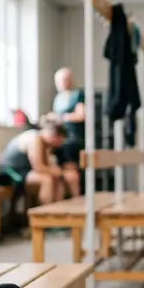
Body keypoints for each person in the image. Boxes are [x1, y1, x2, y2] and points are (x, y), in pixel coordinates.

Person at [0, 122, 66, 206]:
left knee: (56, 178)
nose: (58, 145)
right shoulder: (35, 137)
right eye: (59, 142)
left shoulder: (44, 143)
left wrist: (57, 173)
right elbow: (39, 167)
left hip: (22, 171)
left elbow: (46, 166)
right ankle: (44, 215)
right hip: (9, 172)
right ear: (55, 137)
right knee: (46, 180)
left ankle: (57, 212)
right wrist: (59, 172)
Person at [46, 67, 87, 198]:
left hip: (74, 139)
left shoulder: (77, 95)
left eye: (64, 80)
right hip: (60, 139)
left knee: (71, 168)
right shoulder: (58, 98)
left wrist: (62, 117)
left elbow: (82, 115)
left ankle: (77, 197)